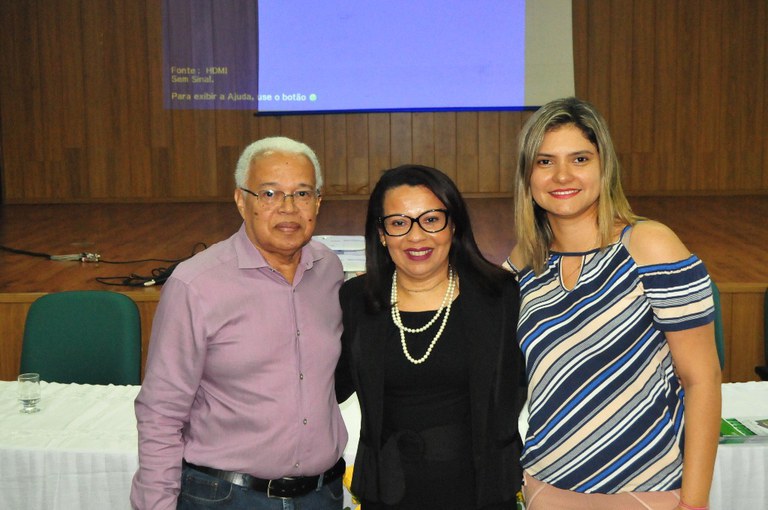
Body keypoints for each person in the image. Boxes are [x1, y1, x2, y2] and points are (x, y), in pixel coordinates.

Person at [505, 97, 721, 510]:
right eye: (545, 161)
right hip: (545, 487)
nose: (562, 175)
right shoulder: (525, 261)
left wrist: (694, 502)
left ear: (605, 167)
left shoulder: (650, 246)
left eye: (580, 159)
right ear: (527, 175)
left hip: (646, 489)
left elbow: (702, 379)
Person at [130, 136, 348, 510]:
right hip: (228, 497)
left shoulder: (329, 269)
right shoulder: (196, 285)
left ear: (318, 202)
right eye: (269, 194)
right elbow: (160, 413)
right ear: (241, 201)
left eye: (302, 193)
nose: (288, 208)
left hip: (321, 495)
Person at [335, 164, 527, 509]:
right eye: (399, 223)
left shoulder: (501, 298)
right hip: (388, 492)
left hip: (482, 492)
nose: (416, 236)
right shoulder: (356, 301)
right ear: (381, 233)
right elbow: (331, 384)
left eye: (431, 219)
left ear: (454, 225)